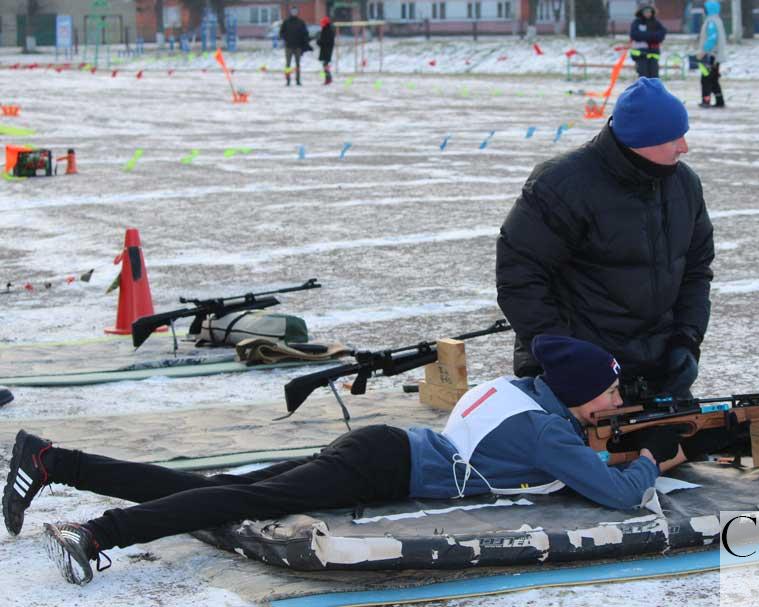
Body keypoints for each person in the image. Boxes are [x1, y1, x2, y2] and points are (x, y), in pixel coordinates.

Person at [4, 335, 686, 586]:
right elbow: (620, 494)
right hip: (379, 468)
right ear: (576, 393)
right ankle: (99, 534)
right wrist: (654, 456)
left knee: (215, 487)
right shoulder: (550, 433)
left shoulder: (518, 393)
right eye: (610, 389)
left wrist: (603, 427)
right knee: (238, 499)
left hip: (383, 447)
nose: (616, 398)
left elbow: (547, 437)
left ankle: (54, 459)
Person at [497, 77, 714, 405]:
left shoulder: (685, 185)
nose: (684, 146)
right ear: (643, 140)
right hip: (578, 380)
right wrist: (568, 360)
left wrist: (687, 340)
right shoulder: (561, 186)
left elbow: (696, 272)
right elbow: (519, 280)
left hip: (656, 374)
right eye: (674, 137)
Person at [696, 0, 726, 108]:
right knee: (713, 79)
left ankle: (706, 100)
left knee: (706, 79)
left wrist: (703, 51)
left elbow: (712, 39)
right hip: (716, 56)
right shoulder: (718, 20)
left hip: (710, 55)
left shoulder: (711, 22)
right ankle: (719, 100)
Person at [629, 3, 667, 79]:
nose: (648, 13)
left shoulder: (656, 23)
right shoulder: (637, 23)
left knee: (654, 76)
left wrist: (647, 36)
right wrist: (651, 36)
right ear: (641, 12)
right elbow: (635, 35)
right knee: (643, 76)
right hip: (641, 55)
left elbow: (662, 33)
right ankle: (644, 90)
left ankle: (653, 90)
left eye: (649, 11)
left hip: (654, 54)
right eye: (646, 11)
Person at [279, 6, 311, 86]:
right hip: (288, 46)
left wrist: (305, 44)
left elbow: (305, 34)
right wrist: (286, 38)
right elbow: (281, 33)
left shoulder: (301, 22)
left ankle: (298, 80)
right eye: (293, 11)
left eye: (295, 11)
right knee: (288, 65)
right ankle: (288, 80)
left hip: (298, 47)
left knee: (298, 64)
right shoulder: (286, 22)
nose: (294, 12)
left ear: (297, 12)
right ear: (290, 12)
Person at [317, 16, 336, 85]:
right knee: (325, 65)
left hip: (327, 50)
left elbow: (325, 41)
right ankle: (328, 78)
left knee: (325, 65)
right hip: (326, 50)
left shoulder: (327, 30)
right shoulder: (327, 29)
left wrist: (319, 42)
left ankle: (328, 78)